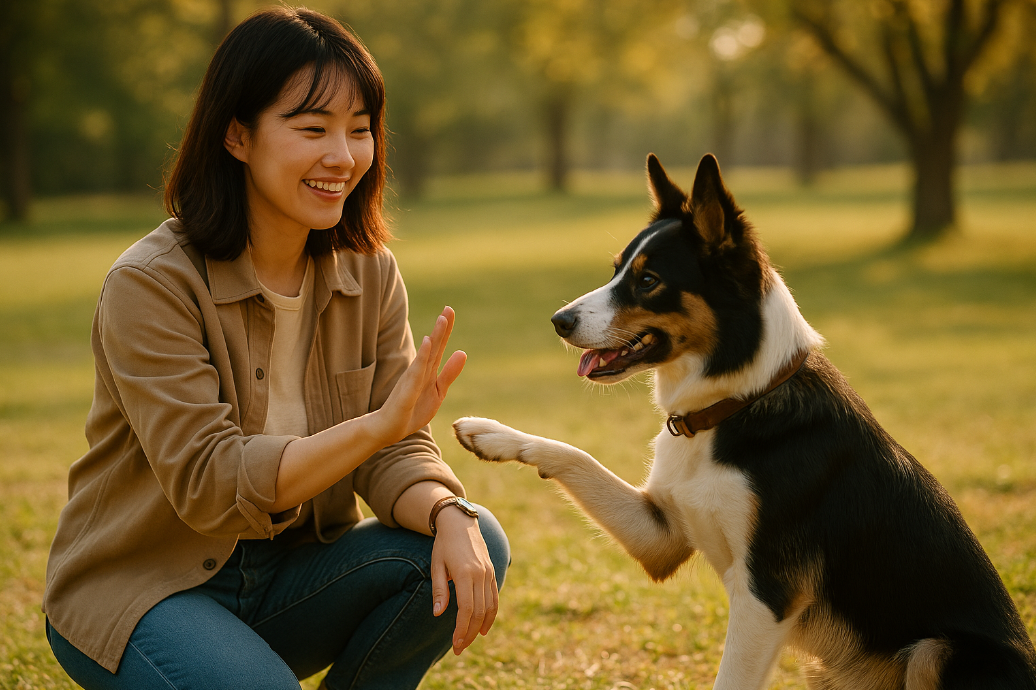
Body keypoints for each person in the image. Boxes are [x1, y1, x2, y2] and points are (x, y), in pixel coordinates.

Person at [42, 7, 508, 689]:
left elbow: (396, 450)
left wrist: (446, 510)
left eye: (360, 130)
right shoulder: (151, 284)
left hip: (289, 579)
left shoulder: (368, 271)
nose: (342, 157)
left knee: (474, 538)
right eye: (313, 129)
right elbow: (210, 484)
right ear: (237, 135)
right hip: (144, 590)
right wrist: (378, 427)